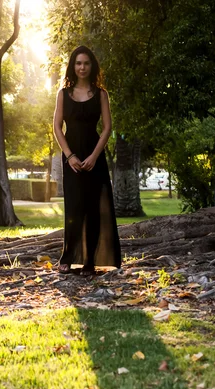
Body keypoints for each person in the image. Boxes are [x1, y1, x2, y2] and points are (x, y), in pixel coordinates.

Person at [53, 45, 121, 275]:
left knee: (93, 209)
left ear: (92, 66)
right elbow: (57, 128)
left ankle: (90, 262)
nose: (82, 67)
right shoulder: (63, 94)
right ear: (73, 66)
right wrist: (69, 156)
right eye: (78, 63)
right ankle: (67, 256)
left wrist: (94, 156)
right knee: (74, 208)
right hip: (71, 158)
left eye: (86, 63)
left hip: (94, 159)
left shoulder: (101, 94)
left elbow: (107, 128)